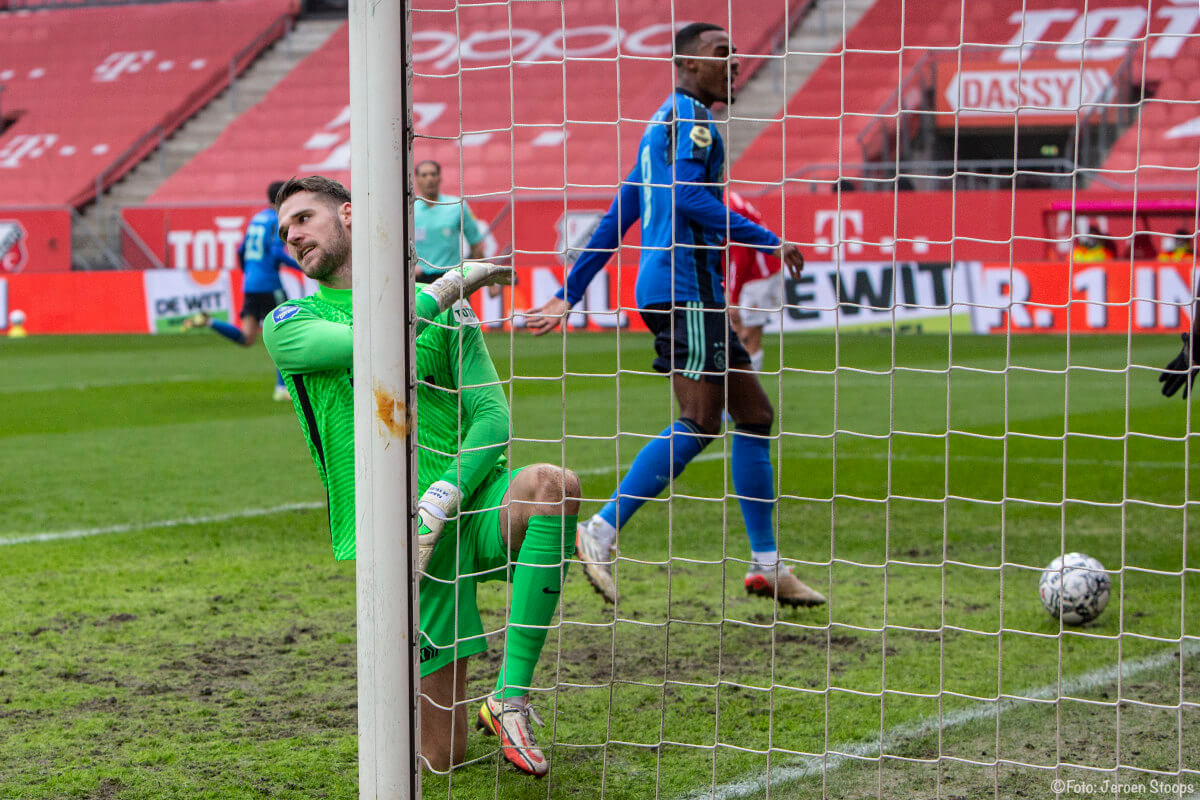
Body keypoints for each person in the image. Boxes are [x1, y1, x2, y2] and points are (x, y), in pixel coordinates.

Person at [263, 175, 579, 778]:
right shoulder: (290, 320)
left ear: (350, 215)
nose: (293, 236)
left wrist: (443, 493)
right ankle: (459, 713)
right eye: (284, 231)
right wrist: (455, 282)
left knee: (551, 486)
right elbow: (380, 345)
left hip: (466, 506)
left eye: (303, 219)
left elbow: (492, 415)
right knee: (441, 757)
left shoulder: (443, 304)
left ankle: (509, 700)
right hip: (397, 538)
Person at [524, 22, 826, 610]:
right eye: (720, 54)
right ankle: (599, 530)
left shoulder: (658, 127)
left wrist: (570, 288)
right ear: (687, 64)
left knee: (755, 415)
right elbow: (689, 199)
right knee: (701, 419)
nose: (733, 62)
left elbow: (621, 212)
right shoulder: (693, 121)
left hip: (689, 292)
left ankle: (767, 567)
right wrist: (769, 239)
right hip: (685, 289)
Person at [184, 181, 298, 401]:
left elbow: (240, 249)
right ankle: (282, 388)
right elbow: (276, 252)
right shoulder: (277, 219)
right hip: (270, 285)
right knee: (286, 332)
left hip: (251, 284)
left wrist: (247, 271)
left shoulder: (257, 218)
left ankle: (209, 322)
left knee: (247, 337)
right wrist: (301, 266)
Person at [725, 190, 783, 374]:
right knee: (740, 335)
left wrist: (733, 298)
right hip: (760, 272)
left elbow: (742, 257)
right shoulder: (727, 197)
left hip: (758, 276)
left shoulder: (728, 208)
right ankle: (742, 392)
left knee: (748, 337)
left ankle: (748, 395)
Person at [413, 160, 488, 283]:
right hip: (419, 279)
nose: (429, 179)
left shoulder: (456, 205)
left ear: (439, 178)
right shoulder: (410, 209)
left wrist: (488, 282)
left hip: (451, 277)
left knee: (462, 302)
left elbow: (475, 244)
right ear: (417, 179)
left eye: (433, 174)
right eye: (424, 175)